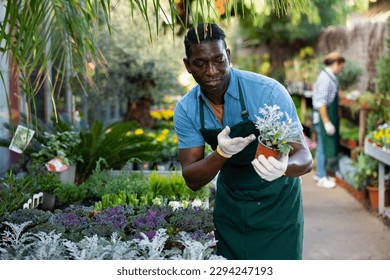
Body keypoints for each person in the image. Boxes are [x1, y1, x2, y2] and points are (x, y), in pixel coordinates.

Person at [173, 23, 313, 260]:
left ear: (228, 56)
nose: (211, 71)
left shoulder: (267, 92)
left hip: (277, 204)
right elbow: (192, 178)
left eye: (218, 60)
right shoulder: (187, 109)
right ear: (187, 65)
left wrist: (283, 168)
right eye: (200, 63)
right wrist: (221, 154)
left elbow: (305, 158)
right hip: (232, 206)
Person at [312, 52, 345, 189]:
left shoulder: (330, 77)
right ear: (335, 63)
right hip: (322, 118)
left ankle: (321, 172)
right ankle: (321, 177)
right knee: (322, 147)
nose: (342, 68)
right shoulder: (325, 79)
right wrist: (326, 122)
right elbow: (321, 103)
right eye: (341, 65)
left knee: (323, 146)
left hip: (326, 117)